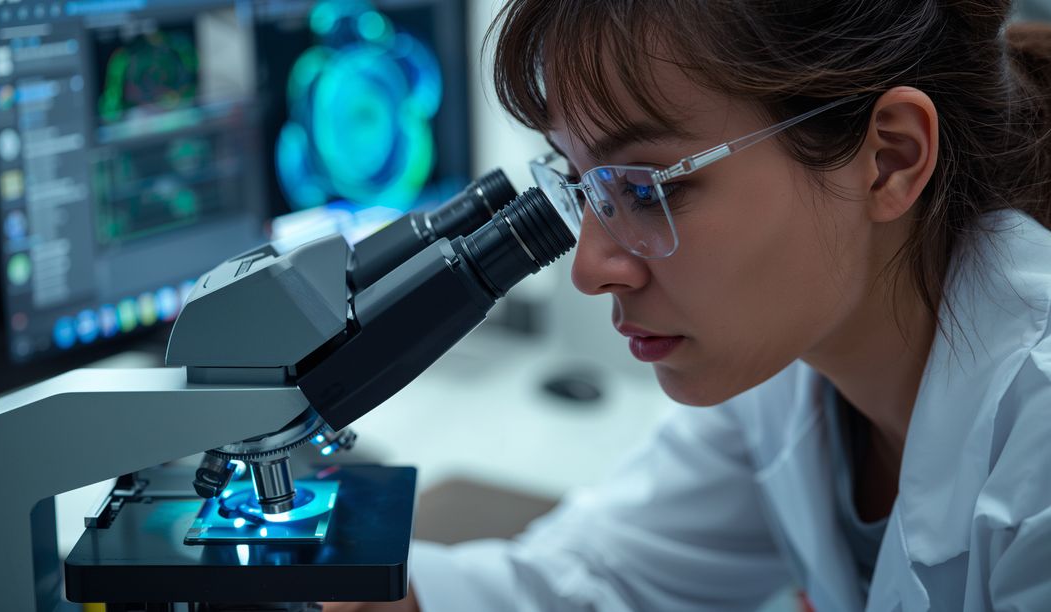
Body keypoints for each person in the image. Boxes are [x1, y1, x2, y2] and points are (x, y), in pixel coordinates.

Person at [327, 1, 1051, 610]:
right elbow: (601, 578)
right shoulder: (791, 370)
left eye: (646, 189)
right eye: (579, 183)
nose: (589, 269)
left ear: (888, 158)